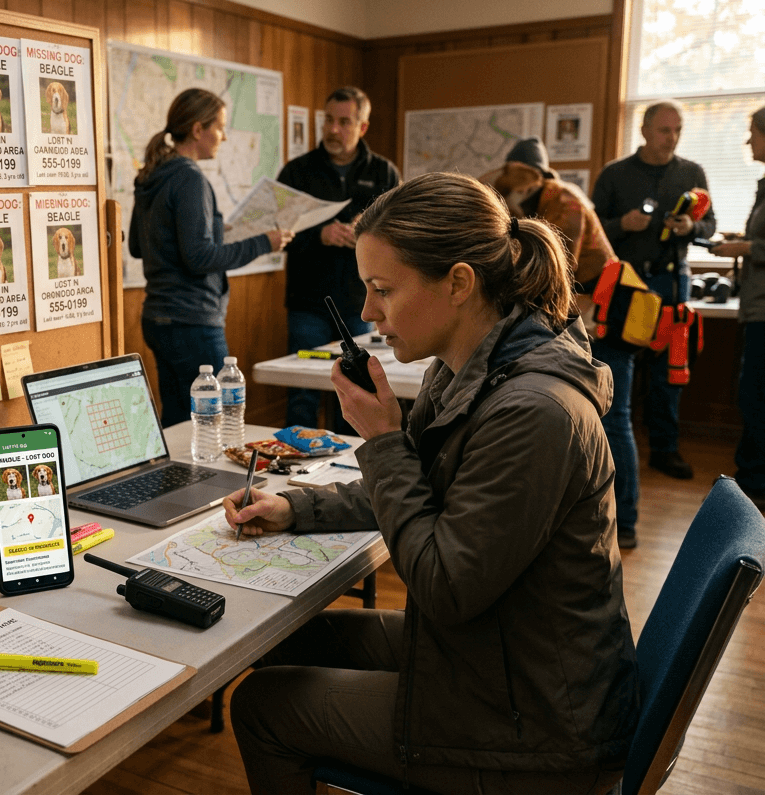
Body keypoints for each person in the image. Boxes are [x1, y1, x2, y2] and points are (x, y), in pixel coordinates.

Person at [223, 173, 638, 795]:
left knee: (264, 705)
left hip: (539, 728)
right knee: (295, 636)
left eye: (383, 290)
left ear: (460, 282)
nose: (367, 312)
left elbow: (444, 586)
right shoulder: (469, 363)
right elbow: (423, 481)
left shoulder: (534, 412)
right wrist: (292, 505)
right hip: (500, 658)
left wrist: (383, 439)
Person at [479, 138, 640, 547]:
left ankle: (629, 521)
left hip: (604, 316)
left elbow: (550, 268)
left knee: (613, 417)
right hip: (584, 313)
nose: (509, 191)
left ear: (532, 178)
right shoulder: (542, 199)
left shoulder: (564, 203)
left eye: (514, 185)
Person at [129, 88, 291, 427]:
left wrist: (213, 229)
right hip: (193, 320)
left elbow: (138, 246)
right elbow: (199, 258)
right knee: (216, 420)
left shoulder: (151, 174)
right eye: (219, 127)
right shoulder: (189, 178)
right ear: (199, 130)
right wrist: (265, 242)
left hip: (158, 318)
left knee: (177, 419)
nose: (224, 136)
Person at [591, 100, 716, 482]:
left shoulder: (693, 173)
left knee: (670, 371)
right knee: (618, 370)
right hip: (626, 286)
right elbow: (592, 233)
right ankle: (611, 448)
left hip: (671, 282)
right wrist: (621, 224)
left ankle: (664, 449)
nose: (672, 138)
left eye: (678, 130)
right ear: (644, 130)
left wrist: (690, 229)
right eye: (665, 130)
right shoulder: (615, 174)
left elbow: (710, 226)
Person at [278, 87, 400, 430]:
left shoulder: (384, 173)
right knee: (302, 395)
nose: (333, 129)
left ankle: (349, 474)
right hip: (307, 304)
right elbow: (276, 235)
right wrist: (319, 235)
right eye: (328, 120)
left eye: (344, 122)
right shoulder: (297, 172)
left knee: (356, 392)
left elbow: (399, 236)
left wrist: (368, 230)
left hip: (361, 303)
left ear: (362, 127)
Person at [711, 106, 765, 507]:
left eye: (753, 133)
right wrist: (739, 237)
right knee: (753, 394)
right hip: (756, 307)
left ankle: (753, 485)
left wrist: (744, 247)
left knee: (755, 394)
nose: (748, 141)